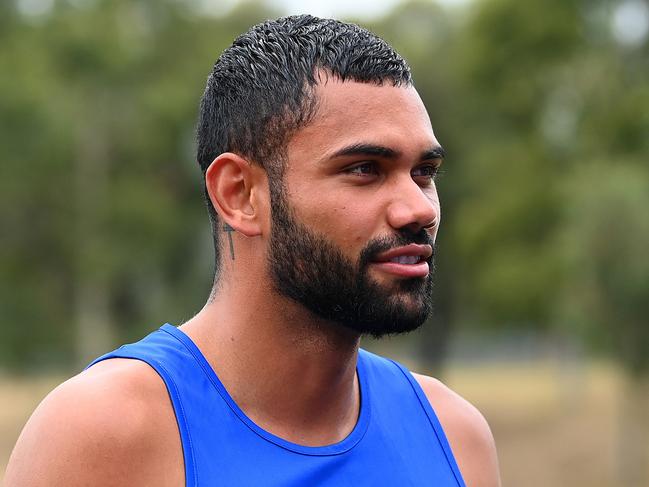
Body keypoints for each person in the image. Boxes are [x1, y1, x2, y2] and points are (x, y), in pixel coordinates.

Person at [6, 15, 500, 486]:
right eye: (365, 169)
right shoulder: (105, 436)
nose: (418, 209)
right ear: (239, 195)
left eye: (425, 173)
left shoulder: (454, 438)